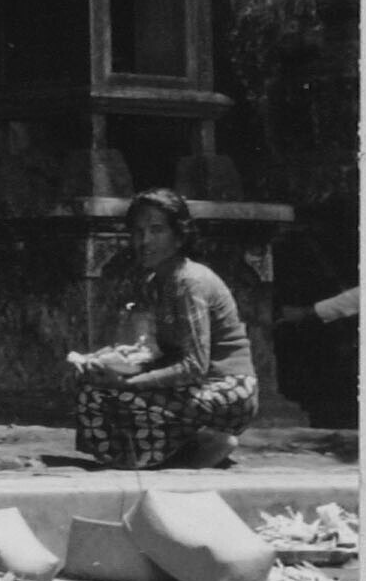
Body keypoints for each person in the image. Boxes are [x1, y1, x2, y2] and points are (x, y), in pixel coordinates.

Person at [71, 187, 258, 470]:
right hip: (197, 386)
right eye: (138, 232)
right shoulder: (158, 281)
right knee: (91, 382)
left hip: (228, 389)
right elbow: (161, 351)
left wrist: (127, 383)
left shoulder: (189, 283)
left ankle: (191, 451)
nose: (145, 241)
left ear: (179, 236)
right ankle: (192, 446)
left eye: (156, 230)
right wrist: (112, 362)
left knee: (103, 395)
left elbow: (194, 366)